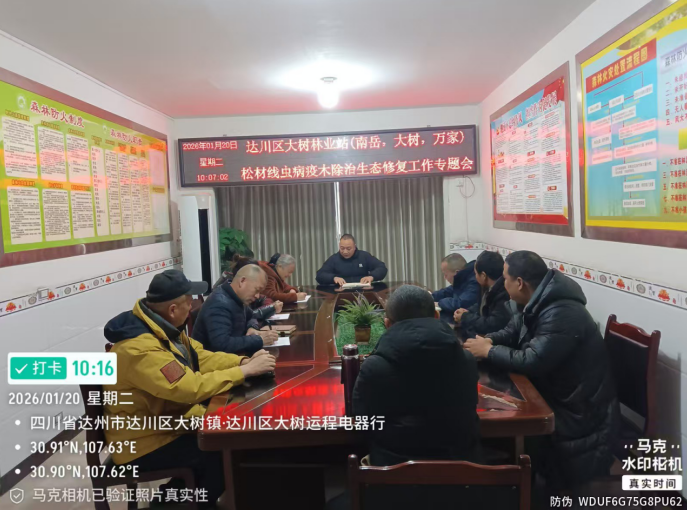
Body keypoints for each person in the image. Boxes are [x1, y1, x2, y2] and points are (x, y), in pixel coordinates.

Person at [103, 269, 276, 508]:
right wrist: (243, 372)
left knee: (228, 437)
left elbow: (201, 357)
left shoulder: (163, 330)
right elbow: (188, 387)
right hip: (142, 441)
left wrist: (242, 362)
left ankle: (173, 498)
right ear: (173, 309)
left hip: (166, 422)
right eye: (189, 301)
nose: (193, 306)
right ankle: (173, 504)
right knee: (220, 452)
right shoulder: (140, 348)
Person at [464, 251, 617, 489]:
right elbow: (511, 331)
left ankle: (519, 488)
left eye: (505, 278)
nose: (502, 283)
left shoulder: (562, 311)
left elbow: (533, 360)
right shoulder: (533, 301)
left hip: (578, 409)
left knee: (501, 418)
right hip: (557, 392)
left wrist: (489, 351)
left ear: (519, 283)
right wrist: (487, 342)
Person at [353, 284, 482, 466]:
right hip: (463, 475)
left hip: (392, 475)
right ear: (436, 316)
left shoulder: (374, 367)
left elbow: (362, 424)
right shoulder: (466, 361)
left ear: (387, 324)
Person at [193, 265, 280, 355]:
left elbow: (252, 315)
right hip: (213, 361)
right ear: (242, 281)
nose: (257, 296)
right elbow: (222, 345)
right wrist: (259, 340)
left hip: (235, 357)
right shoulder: (219, 303)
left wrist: (251, 327)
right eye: (257, 290)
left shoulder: (236, 297)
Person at [453, 251, 511, 338]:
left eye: (476, 273)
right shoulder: (487, 287)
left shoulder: (504, 293)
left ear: (483, 276)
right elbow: (481, 306)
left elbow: (491, 325)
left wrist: (465, 317)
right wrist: (467, 312)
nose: (475, 277)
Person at [316, 234, 387, 286]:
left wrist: (371, 277)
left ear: (354, 247)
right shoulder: (334, 259)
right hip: (340, 293)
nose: (345, 252)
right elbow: (320, 275)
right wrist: (334, 278)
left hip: (363, 292)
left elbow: (382, 268)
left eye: (348, 248)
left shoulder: (364, 256)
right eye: (342, 248)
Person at [431, 253, 481, 320]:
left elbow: (462, 303)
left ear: (456, 273)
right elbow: (446, 292)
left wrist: (439, 304)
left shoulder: (474, 282)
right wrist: (429, 297)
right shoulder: (462, 279)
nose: (445, 277)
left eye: (445, 274)